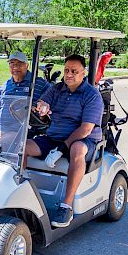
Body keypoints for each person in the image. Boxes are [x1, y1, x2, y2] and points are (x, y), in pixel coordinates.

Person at [24, 54, 104, 228]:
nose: (68, 74)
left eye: (74, 71)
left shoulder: (92, 96)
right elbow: (44, 100)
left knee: (76, 149)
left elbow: (86, 129)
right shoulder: (57, 89)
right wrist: (42, 106)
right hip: (54, 137)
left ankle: (66, 206)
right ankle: (20, 191)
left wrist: (61, 148)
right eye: (66, 70)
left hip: (84, 140)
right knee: (23, 147)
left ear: (83, 73)